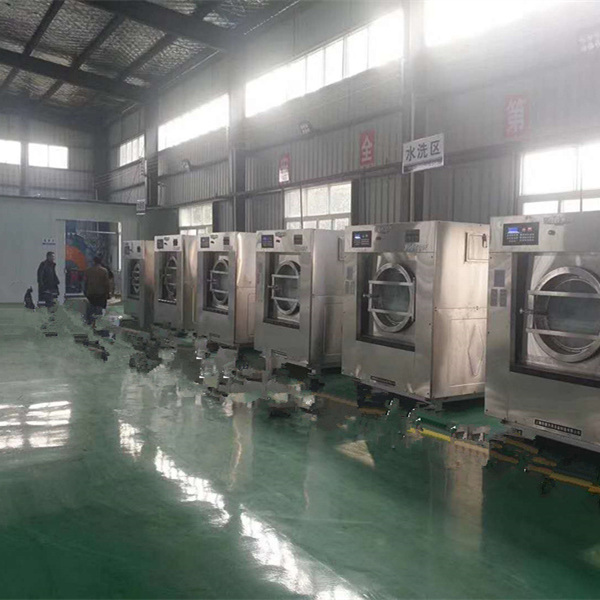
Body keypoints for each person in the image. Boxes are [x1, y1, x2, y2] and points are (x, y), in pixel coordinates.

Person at [84, 256, 110, 327]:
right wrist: (108, 293)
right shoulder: (104, 271)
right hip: (101, 293)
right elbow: (106, 284)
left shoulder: (88, 270)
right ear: (101, 261)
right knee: (99, 310)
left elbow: (85, 282)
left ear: (94, 262)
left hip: (91, 293)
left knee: (91, 309)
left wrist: (85, 292)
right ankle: (98, 324)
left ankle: (90, 323)